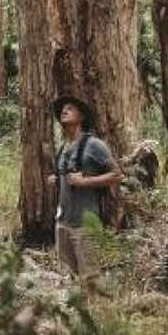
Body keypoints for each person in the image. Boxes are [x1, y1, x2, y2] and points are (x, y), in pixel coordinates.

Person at [47, 95, 120, 298]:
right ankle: (79, 314)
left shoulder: (94, 145)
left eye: (70, 108)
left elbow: (116, 174)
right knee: (71, 274)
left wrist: (85, 182)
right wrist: (57, 178)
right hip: (62, 223)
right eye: (62, 109)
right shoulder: (63, 147)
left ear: (81, 117)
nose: (64, 110)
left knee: (90, 277)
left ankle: (97, 319)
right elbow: (67, 176)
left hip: (85, 223)